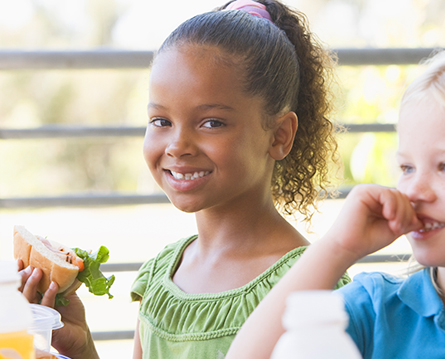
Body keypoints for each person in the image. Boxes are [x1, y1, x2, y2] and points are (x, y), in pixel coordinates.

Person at [18, 1, 350, 358]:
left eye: (211, 122)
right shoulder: (161, 276)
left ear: (279, 135)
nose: (178, 145)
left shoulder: (314, 287)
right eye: (161, 121)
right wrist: (81, 347)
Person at [225, 50, 445, 359]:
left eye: (443, 166)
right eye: (407, 168)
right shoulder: (376, 310)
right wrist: (338, 246)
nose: (416, 190)